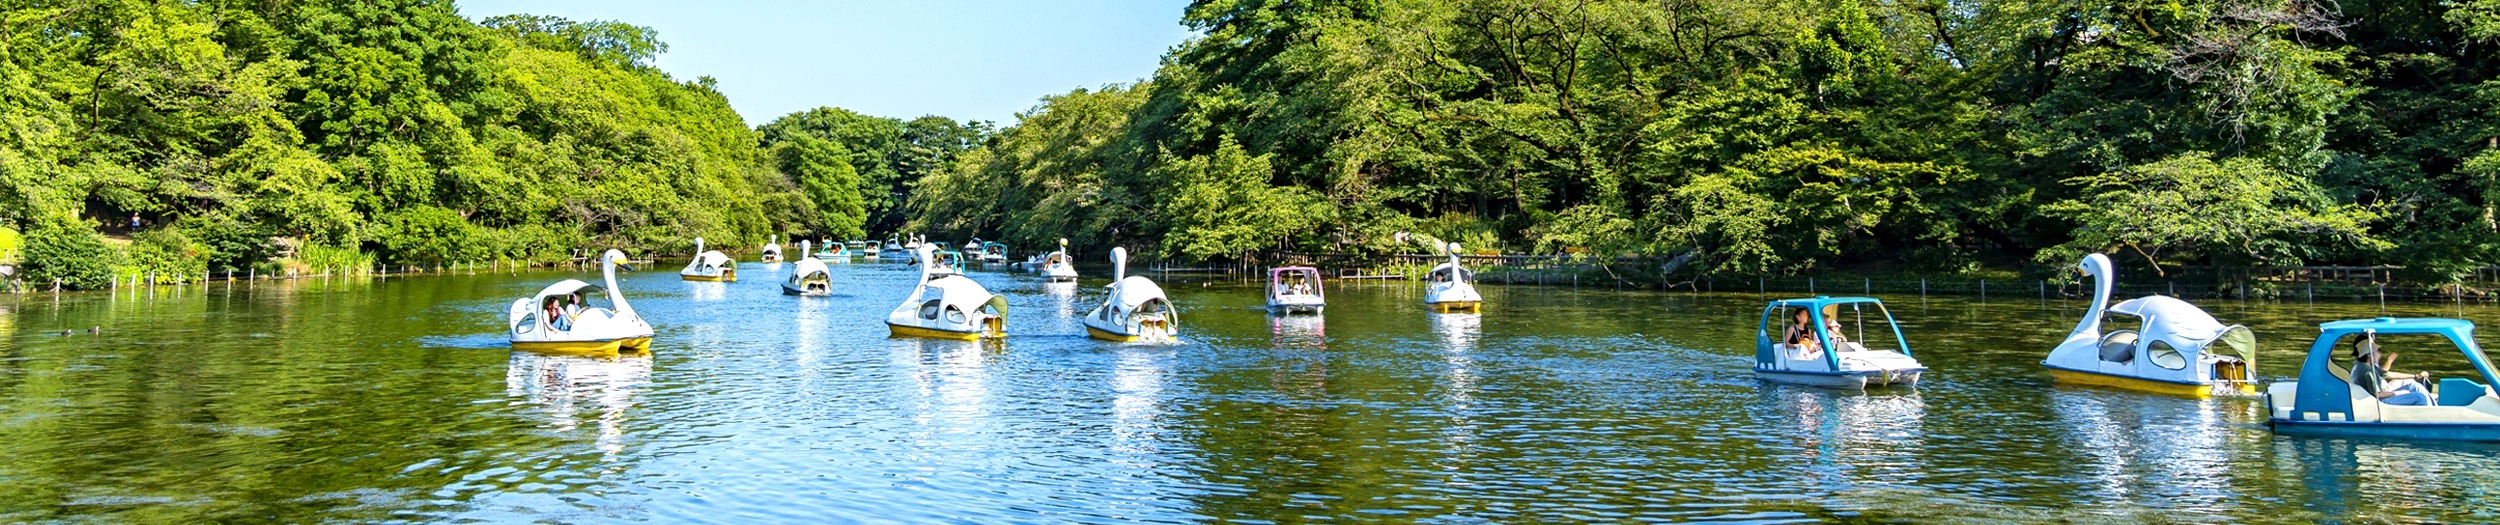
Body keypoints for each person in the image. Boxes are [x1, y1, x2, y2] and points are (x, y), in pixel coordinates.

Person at [2353, 336, 2432, 406]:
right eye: (2377, 351)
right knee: (2420, 397)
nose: (2379, 355)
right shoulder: (2368, 371)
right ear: (2369, 355)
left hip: (2382, 397)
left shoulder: (2369, 366)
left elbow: (2391, 374)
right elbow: (2378, 394)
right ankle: (2427, 419)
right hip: (2382, 402)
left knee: (2415, 387)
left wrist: (2416, 376)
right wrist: (2398, 393)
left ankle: (2433, 409)